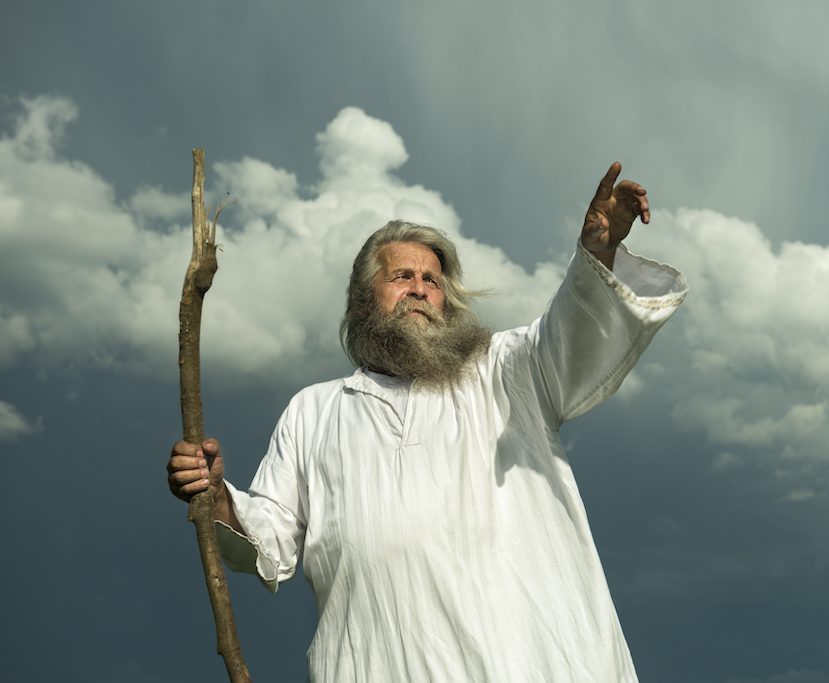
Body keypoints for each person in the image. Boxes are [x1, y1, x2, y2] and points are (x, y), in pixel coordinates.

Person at [167, 162, 688, 681]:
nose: (419, 289)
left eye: (432, 281)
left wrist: (596, 253)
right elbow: (269, 542)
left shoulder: (506, 371)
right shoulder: (315, 410)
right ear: (364, 296)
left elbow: (572, 332)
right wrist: (214, 495)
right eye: (401, 276)